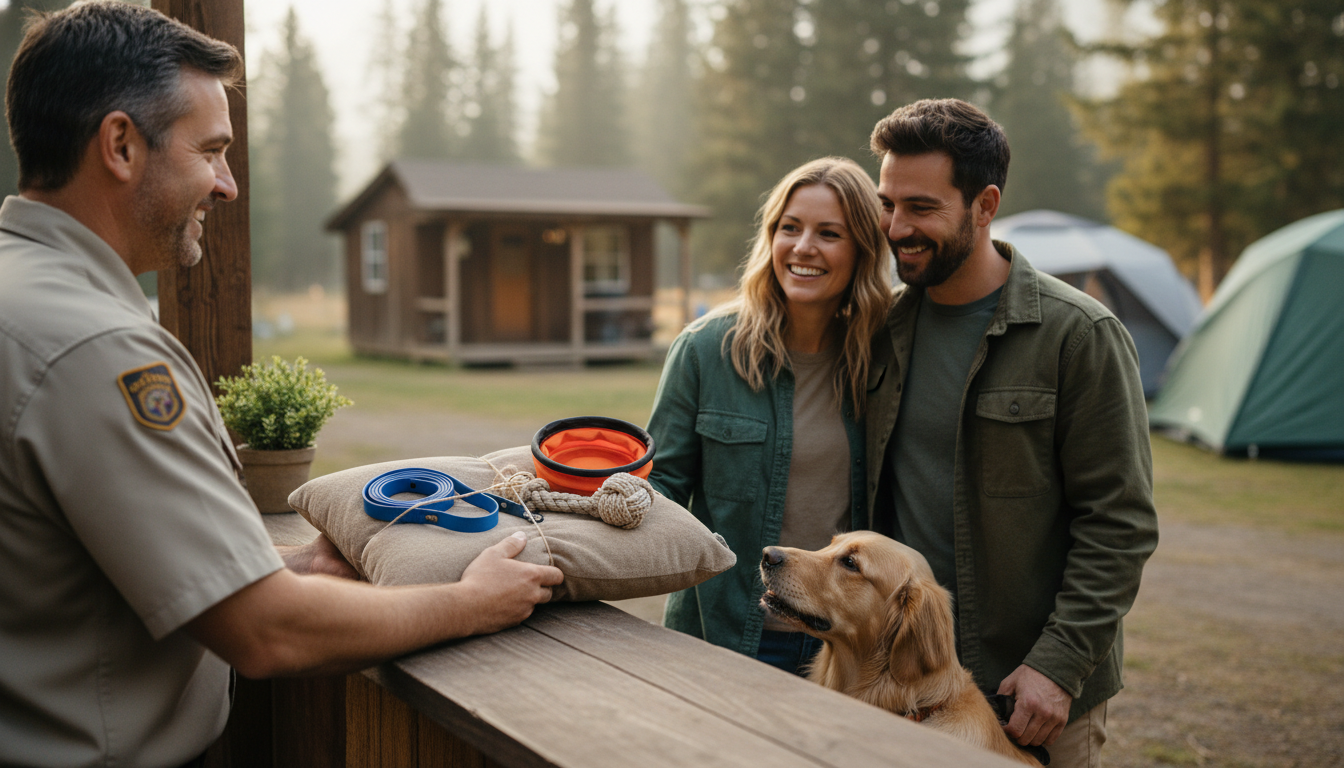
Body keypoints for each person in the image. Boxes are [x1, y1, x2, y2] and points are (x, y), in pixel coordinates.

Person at [0, 5, 562, 767]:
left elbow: (63, 564)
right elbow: (269, 633)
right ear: (121, 145)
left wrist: (278, 569)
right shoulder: (99, 351)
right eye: (212, 150)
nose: (227, 186)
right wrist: (472, 603)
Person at [863, 98, 1158, 768]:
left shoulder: (1078, 335)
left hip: (1028, 693)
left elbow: (1120, 522)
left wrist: (1057, 667)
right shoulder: (882, 332)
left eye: (921, 208)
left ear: (985, 204)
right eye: (888, 204)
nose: (896, 227)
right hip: (904, 685)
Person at [647, 157, 891, 675]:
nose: (804, 247)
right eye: (790, 228)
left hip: (844, 646)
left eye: (829, 233)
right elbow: (659, 484)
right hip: (727, 636)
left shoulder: (885, 357)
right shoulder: (705, 350)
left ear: (862, 250)